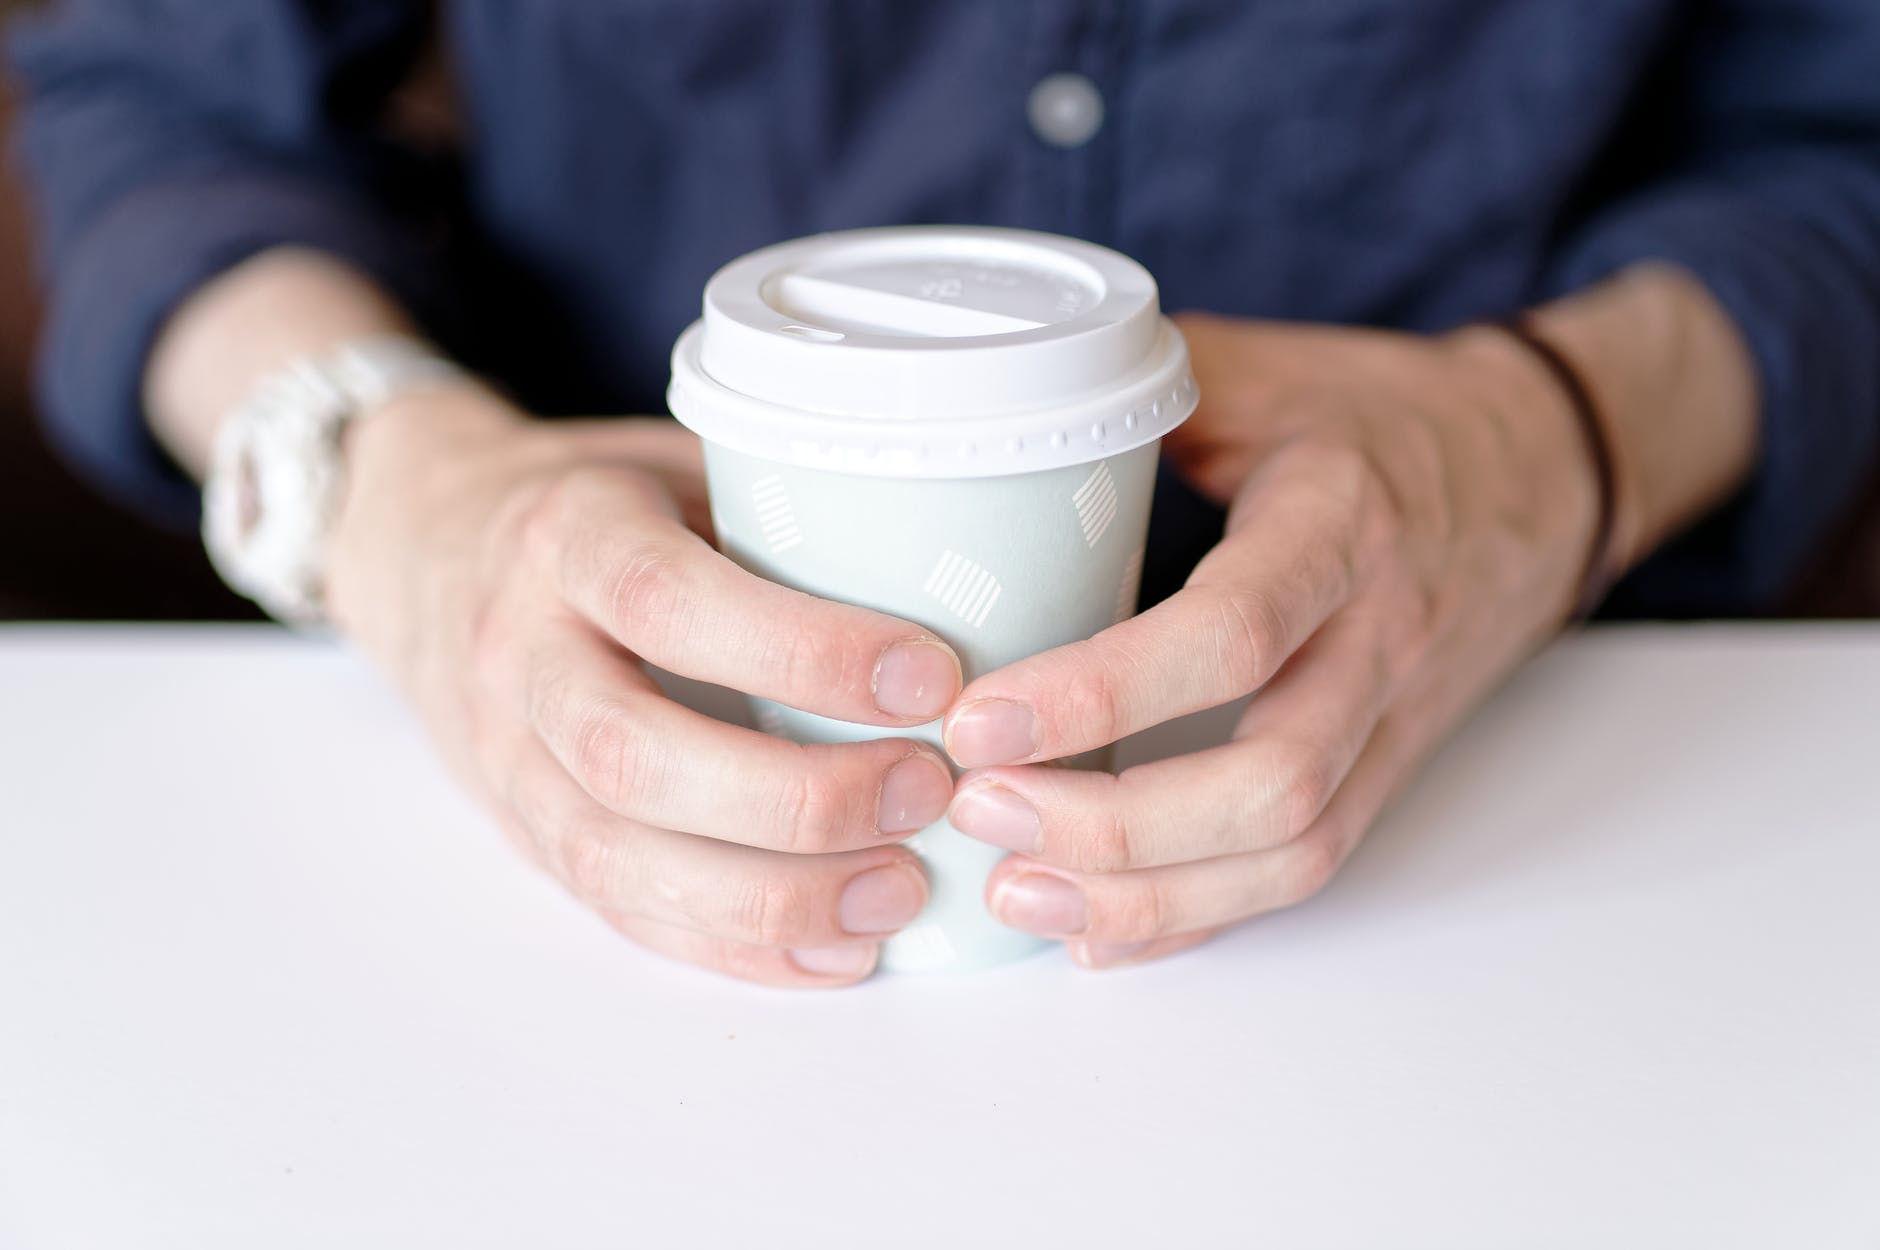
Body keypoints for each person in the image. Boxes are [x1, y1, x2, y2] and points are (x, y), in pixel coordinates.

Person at [10, 2, 1879, 987]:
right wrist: (402, 490)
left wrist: (1558, 435)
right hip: (604, 913)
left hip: (1537, 821)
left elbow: (1841, 139)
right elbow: (160, 101)